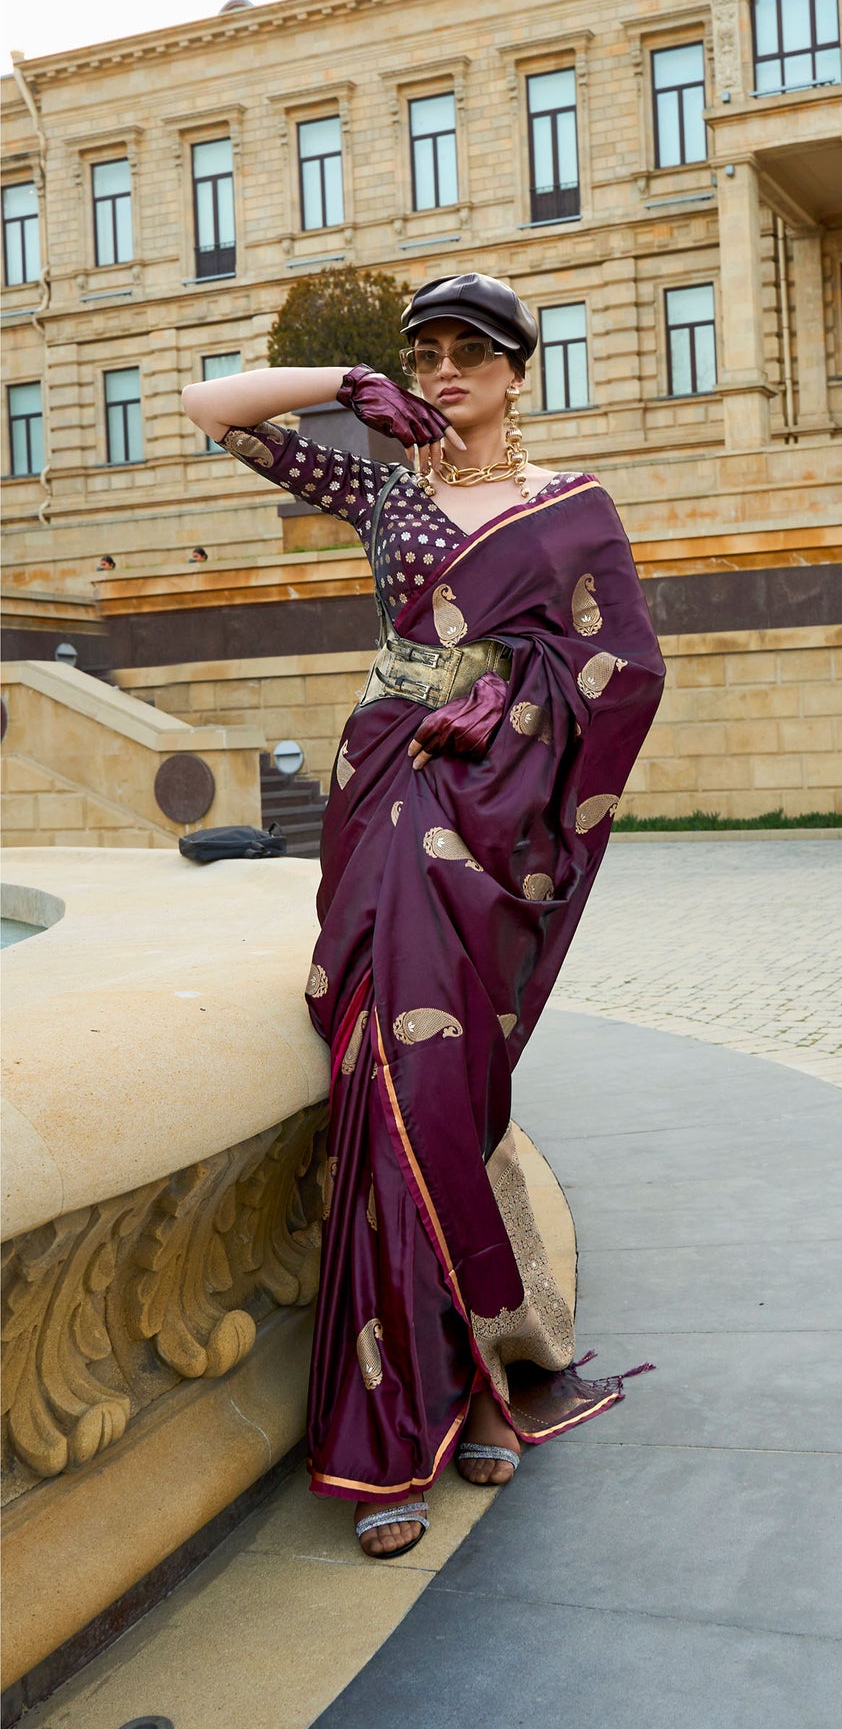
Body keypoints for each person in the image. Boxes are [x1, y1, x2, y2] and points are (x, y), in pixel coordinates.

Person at [181, 272, 665, 1558]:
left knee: (450, 1096)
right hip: (383, 793)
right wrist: (343, 386)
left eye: (470, 353)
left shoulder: (570, 511)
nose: (445, 371)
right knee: (381, 1093)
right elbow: (206, 405)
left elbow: (625, 674)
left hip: (491, 818)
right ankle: (407, 1424)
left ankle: (475, 1383)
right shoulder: (383, 487)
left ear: (518, 373)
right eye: (425, 354)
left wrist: (503, 728)